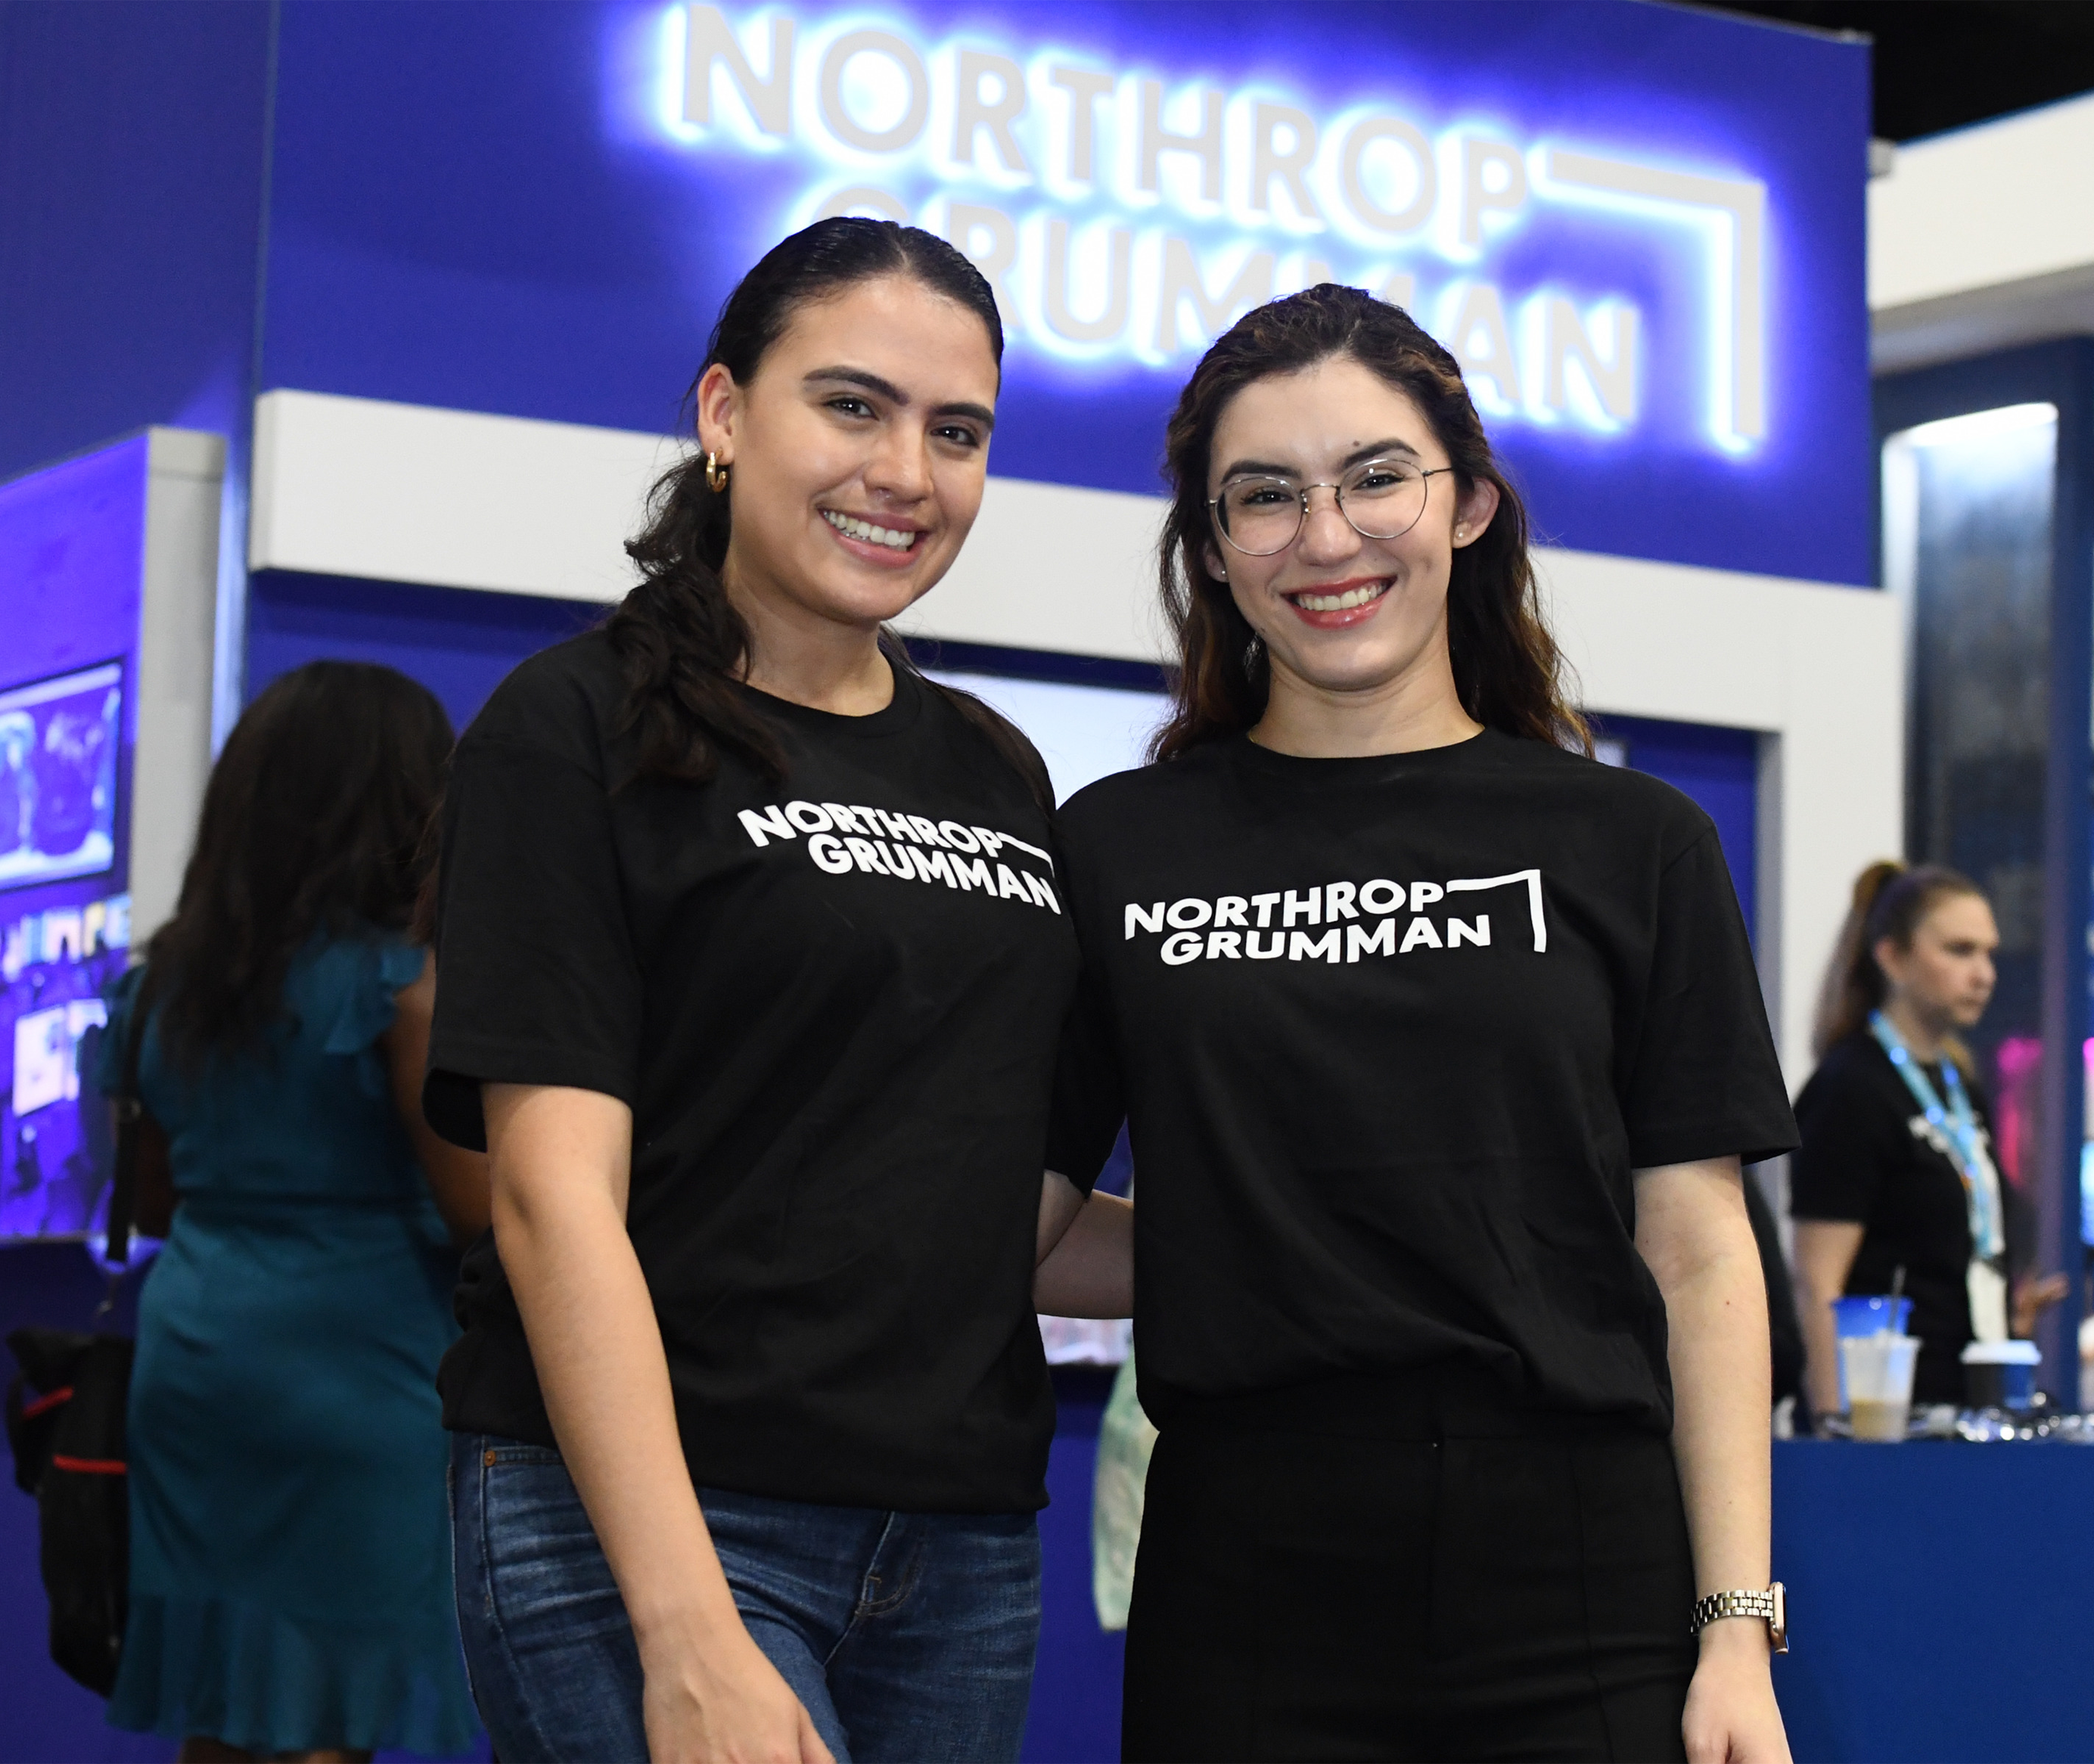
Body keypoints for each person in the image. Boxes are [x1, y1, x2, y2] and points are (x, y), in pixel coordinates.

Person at [1044, 284, 1797, 1763]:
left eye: (1376, 475)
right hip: (1243, 1573)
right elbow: (1024, 1218)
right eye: (1262, 496)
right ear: (1209, 546)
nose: (1325, 537)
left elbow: (1698, 1251)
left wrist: (1731, 1627)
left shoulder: (1628, 841)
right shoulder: (1120, 848)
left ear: (1468, 506)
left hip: (1577, 1568)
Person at [422, 217, 1129, 1764]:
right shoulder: (572, 728)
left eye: (957, 431)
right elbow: (549, 1203)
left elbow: (976, 1211)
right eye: (852, 404)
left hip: (956, 1541)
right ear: (726, 414)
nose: (907, 471)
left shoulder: (996, 768)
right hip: (659, 1512)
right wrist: (681, 1622)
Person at [99, 661, 488, 1763]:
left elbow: (154, 1192)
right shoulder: (402, 981)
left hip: (199, 1356)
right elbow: (481, 1215)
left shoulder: (162, 985)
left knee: (227, 1694)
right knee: (332, 1704)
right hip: (361, 1367)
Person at [1791, 861, 2060, 1418]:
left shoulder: (1961, 1085)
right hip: (1890, 1419)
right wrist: (1839, 1429)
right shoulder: (1851, 1088)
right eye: (1960, 951)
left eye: (1989, 953)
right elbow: (1818, 1283)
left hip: (1971, 1403)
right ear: (1892, 957)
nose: (1984, 973)